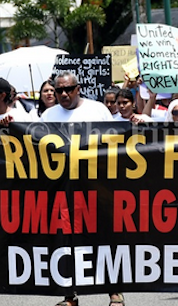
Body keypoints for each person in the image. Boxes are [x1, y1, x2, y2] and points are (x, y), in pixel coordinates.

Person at [38, 71, 119, 306]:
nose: (63, 94)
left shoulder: (97, 110)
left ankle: (114, 293)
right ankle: (69, 296)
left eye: (68, 89)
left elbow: (116, 142)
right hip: (64, 189)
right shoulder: (49, 114)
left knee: (102, 239)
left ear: (78, 89)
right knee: (65, 242)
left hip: (96, 187)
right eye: (58, 90)